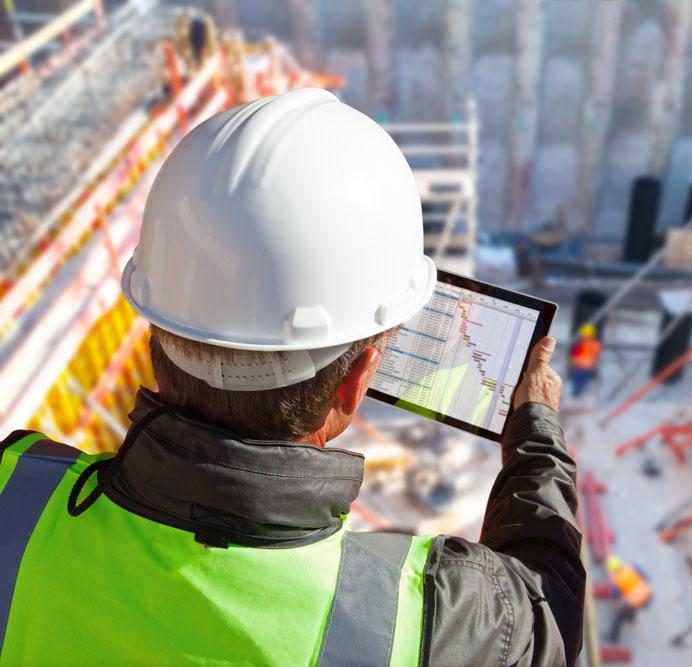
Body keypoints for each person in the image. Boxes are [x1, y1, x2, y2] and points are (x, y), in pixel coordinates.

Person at [0, 88, 585, 666]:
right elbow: (547, 609)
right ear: (354, 381)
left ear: (157, 327)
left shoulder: (16, 488)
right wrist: (535, 432)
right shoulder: (430, 622)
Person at [605, 555, 653, 644]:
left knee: (619, 616)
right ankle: (631, 618)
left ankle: (612, 638)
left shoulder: (617, 580)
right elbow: (645, 576)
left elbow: (615, 598)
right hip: (647, 594)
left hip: (636, 599)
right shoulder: (632, 566)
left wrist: (616, 607)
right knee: (629, 606)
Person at [569, 322, 602, 397]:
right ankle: (579, 396)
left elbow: (575, 355)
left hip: (579, 366)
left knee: (578, 383)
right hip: (588, 367)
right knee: (583, 383)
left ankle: (576, 396)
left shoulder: (581, 344)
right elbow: (596, 356)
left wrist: (571, 362)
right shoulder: (596, 345)